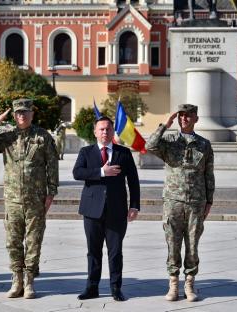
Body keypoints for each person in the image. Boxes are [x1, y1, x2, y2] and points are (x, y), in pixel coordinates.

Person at [0, 98, 59, 299]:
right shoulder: (7, 136)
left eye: (25, 112)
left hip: (36, 199)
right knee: (12, 241)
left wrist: (51, 193)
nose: (21, 116)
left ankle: (30, 281)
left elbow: (52, 165)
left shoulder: (42, 137)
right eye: (18, 113)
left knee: (33, 242)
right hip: (13, 199)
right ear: (13, 115)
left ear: (32, 114)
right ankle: (17, 279)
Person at [145, 104, 215, 302]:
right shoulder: (168, 141)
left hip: (196, 202)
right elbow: (150, 146)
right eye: (181, 116)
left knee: (192, 244)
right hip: (173, 201)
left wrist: (209, 200)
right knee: (173, 244)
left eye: (188, 115)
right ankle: (173, 283)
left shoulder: (204, 144)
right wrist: (164, 125)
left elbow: (208, 174)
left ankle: (190, 283)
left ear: (196, 119)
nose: (184, 119)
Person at [73, 116, 140, 302]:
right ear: (95, 132)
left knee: (115, 251)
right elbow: (77, 173)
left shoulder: (124, 153)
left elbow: (133, 182)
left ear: (113, 132)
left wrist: (134, 205)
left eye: (108, 129)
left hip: (117, 211)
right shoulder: (86, 152)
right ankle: (92, 287)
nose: (105, 132)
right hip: (92, 210)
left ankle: (116, 288)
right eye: (101, 129)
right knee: (93, 251)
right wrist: (102, 172)